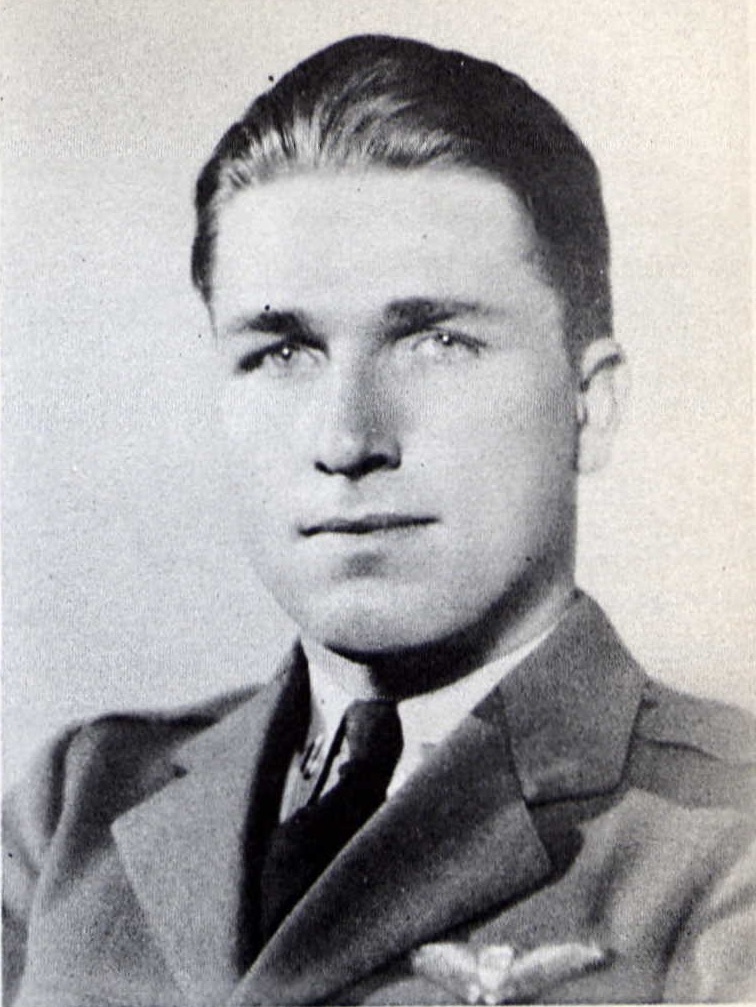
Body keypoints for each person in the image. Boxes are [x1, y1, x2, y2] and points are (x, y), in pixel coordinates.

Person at [3, 34, 755, 1007]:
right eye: (282, 352)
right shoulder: (77, 811)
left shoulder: (724, 835)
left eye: (436, 341)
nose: (348, 438)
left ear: (590, 404)